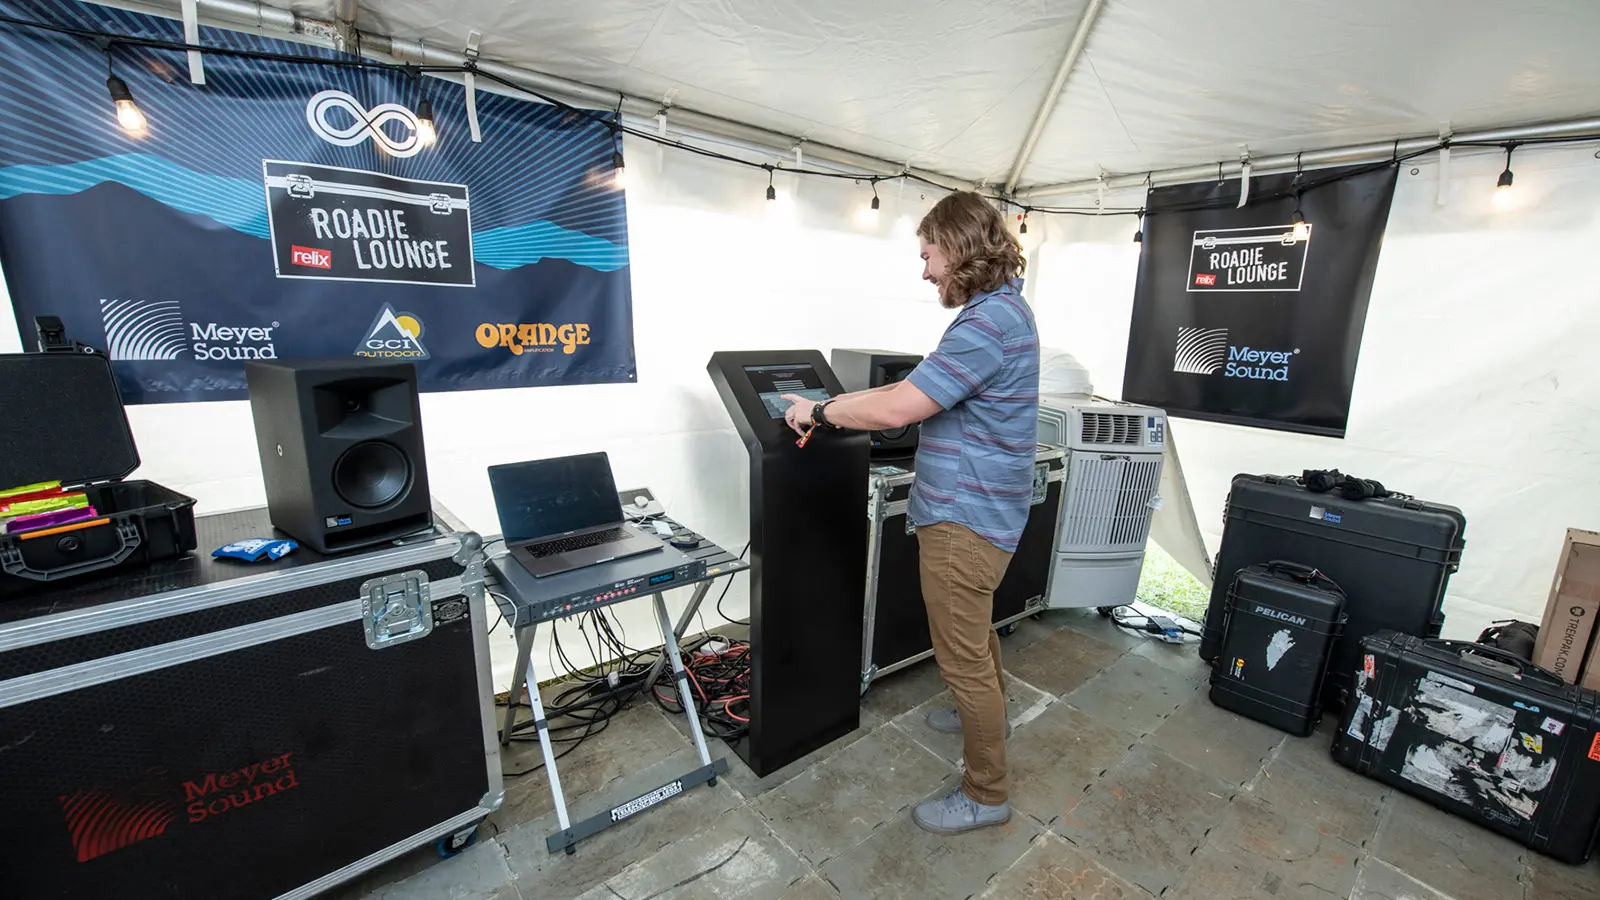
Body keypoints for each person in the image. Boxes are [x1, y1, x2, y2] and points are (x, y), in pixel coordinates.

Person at [780, 190, 1040, 835]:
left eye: (928, 256)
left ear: (958, 247)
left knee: (962, 659)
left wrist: (819, 411)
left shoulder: (986, 325)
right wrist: (842, 403)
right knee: (974, 635)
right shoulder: (1004, 311)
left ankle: (986, 792)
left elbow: (900, 409)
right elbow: (911, 388)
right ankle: (986, 714)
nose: (924, 271)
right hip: (985, 511)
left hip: (965, 519)